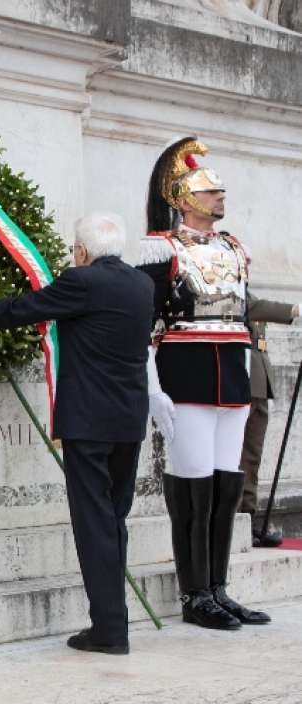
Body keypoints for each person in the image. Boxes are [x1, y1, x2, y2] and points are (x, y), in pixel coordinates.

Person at [0, 212, 154, 655]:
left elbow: (21, 309)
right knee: (114, 519)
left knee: (94, 522)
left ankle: (109, 629)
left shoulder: (82, 282)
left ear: (81, 252)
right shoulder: (142, 285)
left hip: (89, 421)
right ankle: (112, 622)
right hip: (128, 420)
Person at [138, 136, 270, 630]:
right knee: (193, 482)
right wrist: (153, 386)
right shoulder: (162, 248)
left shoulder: (234, 248)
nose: (219, 197)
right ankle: (194, 593)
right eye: (209, 191)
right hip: (187, 373)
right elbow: (145, 323)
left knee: (226, 483)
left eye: (219, 191)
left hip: (231, 373)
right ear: (185, 199)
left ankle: (218, 586)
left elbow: (241, 309)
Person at [242, 294, 301, 546]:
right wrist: (295, 309)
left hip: (259, 382)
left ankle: (248, 516)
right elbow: (253, 307)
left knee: (252, 455)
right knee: (241, 455)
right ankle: (236, 519)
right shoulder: (230, 286)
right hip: (243, 380)